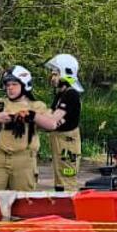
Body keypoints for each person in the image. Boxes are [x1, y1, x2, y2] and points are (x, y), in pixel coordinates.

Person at [0, 71, 63, 192]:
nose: (10, 88)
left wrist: (32, 116)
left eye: (14, 84)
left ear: (25, 85)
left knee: (23, 201)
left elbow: (51, 125)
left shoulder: (36, 106)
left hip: (24, 161)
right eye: (8, 85)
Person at [42, 55, 83, 192]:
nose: (52, 78)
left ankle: (72, 206)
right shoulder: (60, 94)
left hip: (68, 141)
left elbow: (53, 118)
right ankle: (59, 202)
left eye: (55, 74)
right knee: (59, 176)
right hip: (58, 138)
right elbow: (50, 112)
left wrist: (36, 118)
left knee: (67, 175)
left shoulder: (71, 94)